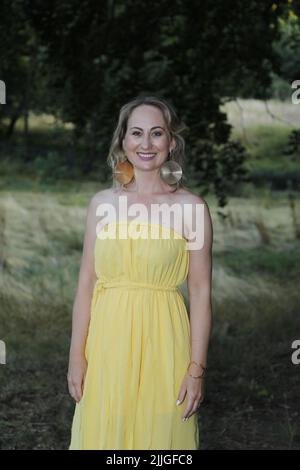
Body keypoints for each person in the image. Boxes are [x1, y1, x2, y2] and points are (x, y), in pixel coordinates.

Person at [67, 95, 213, 450]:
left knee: (161, 440)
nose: (145, 144)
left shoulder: (191, 207)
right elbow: (86, 283)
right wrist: (76, 355)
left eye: (156, 133)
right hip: (106, 343)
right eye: (136, 133)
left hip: (167, 343)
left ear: (171, 143)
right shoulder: (102, 204)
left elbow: (201, 293)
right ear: (123, 141)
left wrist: (196, 370)